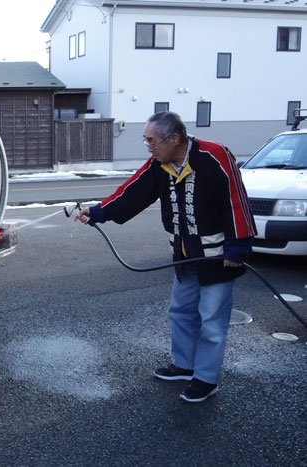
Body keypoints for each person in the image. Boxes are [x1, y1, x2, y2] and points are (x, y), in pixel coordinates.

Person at [76, 111, 255, 403]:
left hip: (217, 259)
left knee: (211, 321)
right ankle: (184, 366)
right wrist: (98, 212)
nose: (149, 147)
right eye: (146, 141)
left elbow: (235, 202)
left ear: (174, 138)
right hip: (184, 258)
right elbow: (132, 192)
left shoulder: (215, 156)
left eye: (152, 141)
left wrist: (238, 248)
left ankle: (207, 379)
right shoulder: (161, 164)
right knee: (181, 312)